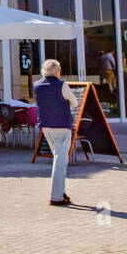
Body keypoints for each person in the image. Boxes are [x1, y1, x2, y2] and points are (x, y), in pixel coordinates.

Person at [34, 59, 79, 207]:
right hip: (62, 126)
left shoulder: (37, 86)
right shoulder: (62, 85)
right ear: (56, 71)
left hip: (46, 127)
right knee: (60, 162)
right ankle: (56, 196)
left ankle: (61, 192)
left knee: (60, 159)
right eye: (59, 69)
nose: (60, 72)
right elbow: (75, 103)